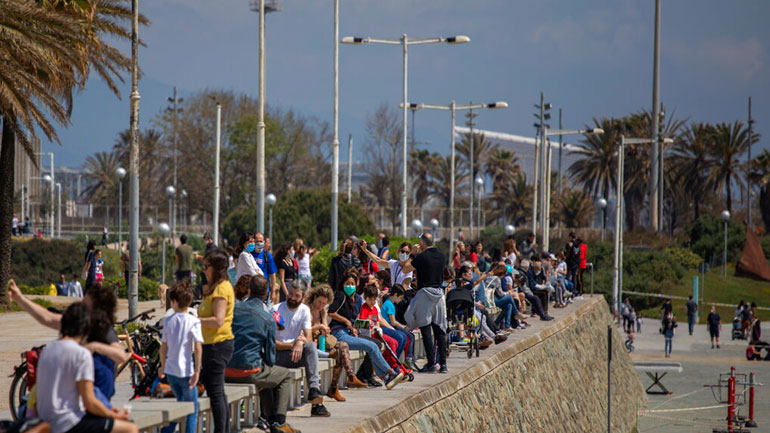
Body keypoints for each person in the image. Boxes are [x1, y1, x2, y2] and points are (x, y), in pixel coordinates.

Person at [9, 280, 127, 407]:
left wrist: (94, 347)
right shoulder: (79, 323)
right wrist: (19, 298)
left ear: (97, 310)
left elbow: (120, 355)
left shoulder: (105, 332)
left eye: (85, 306)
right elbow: (47, 317)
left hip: (95, 396)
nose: (81, 308)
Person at [36, 302, 138, 433]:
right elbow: (89, 402)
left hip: (46, 420)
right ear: (86, 328)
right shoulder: (81, 354)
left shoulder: (49, 349)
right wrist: (115, 415)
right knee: (130, 428)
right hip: (67, 423)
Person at [226, 275, 301, 433]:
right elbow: (270, 357)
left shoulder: (232, 310)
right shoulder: (268, 318)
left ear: (249, 290)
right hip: (248, 371)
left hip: (225, 370)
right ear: (266, 294)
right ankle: (279, 422)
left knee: (266, 373)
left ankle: (269, 419)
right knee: (285, 375)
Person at [327, 274, 405, 389]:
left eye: (352, 284)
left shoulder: (357, 299)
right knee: (372, 346)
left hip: (351, 332)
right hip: (340, 333)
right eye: (347, 284)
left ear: (357, 284)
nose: (350, 286)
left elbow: (357, 319)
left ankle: (386, 377)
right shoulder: (340, 295)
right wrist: (347, 322)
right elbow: (331, 312)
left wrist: (355, 327)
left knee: (374, 345)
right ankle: (390, 373)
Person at [272, 279, 330, 417]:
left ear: (303, 296)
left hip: (296, 353)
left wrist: (300, 342)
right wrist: (293, 344)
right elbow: (272, 343)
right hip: (279, 355)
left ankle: (315, 393)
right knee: (309, 349)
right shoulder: (276, 310)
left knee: (310, 346)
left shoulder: (304, 310)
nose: (292, 298)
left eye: (296, 295)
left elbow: (309, 338)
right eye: (290, 294)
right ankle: (317, 402)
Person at [304, 285, 367, 401]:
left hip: (321, 342)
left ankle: (348, 377)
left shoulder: (322, 311)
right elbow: (303, 330)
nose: (320, 305)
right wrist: (318, 326)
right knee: (338, 354)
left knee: (343, 346)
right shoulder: (306, 310)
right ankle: (335, 388)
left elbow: (326, 327)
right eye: (319, 302)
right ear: (315, 297)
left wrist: (325, 328)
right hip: (310, 345)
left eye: (324, 303)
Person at [199, 248, 235, 433]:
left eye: (206, 267)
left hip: (218, 345)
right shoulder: (213, 288)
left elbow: (218, 320)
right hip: (210, 345)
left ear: (216, 268)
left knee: (216, 392)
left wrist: (193, 320)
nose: (203, 270)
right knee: (215, 391)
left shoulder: (222, 288)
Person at [401, 233, 449, 373]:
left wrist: (413, 254)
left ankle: (431, 364)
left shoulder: (421, 257)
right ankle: (443, 364)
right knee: (439, 328)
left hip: (425, 294)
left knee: (425, 328)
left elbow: (405, 269)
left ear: (422, 243)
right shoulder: (441, 256)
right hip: (439, 295)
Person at [159, 283, 202, 433]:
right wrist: (197, 370)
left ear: (175, 301)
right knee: (192, 409)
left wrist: (163, 367)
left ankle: (166, 431)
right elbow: (197, 348)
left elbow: (163, 348)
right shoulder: (193, 321)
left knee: (180, 404)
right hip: (186, 370)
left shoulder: (169, 321)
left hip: (171, 371)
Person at [381, 285, 417, 371]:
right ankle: (397, 359)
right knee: (405, 337)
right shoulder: (390, 305)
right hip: (387, 326)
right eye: (400, 298)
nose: (400, 300)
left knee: (407, 336)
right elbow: (393, 322)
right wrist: (404, 327)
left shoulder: (388, 303)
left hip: (389, 325)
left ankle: (401, 359)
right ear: (396, 295)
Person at [251, 232, 278, 304]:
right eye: (257, 241)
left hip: (264, 290)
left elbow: (273, 275)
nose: (259, 243)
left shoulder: (267, 256)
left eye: (261, 241)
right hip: (251, 290)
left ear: (264, 242)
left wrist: (273, 292)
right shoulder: (250, 254)